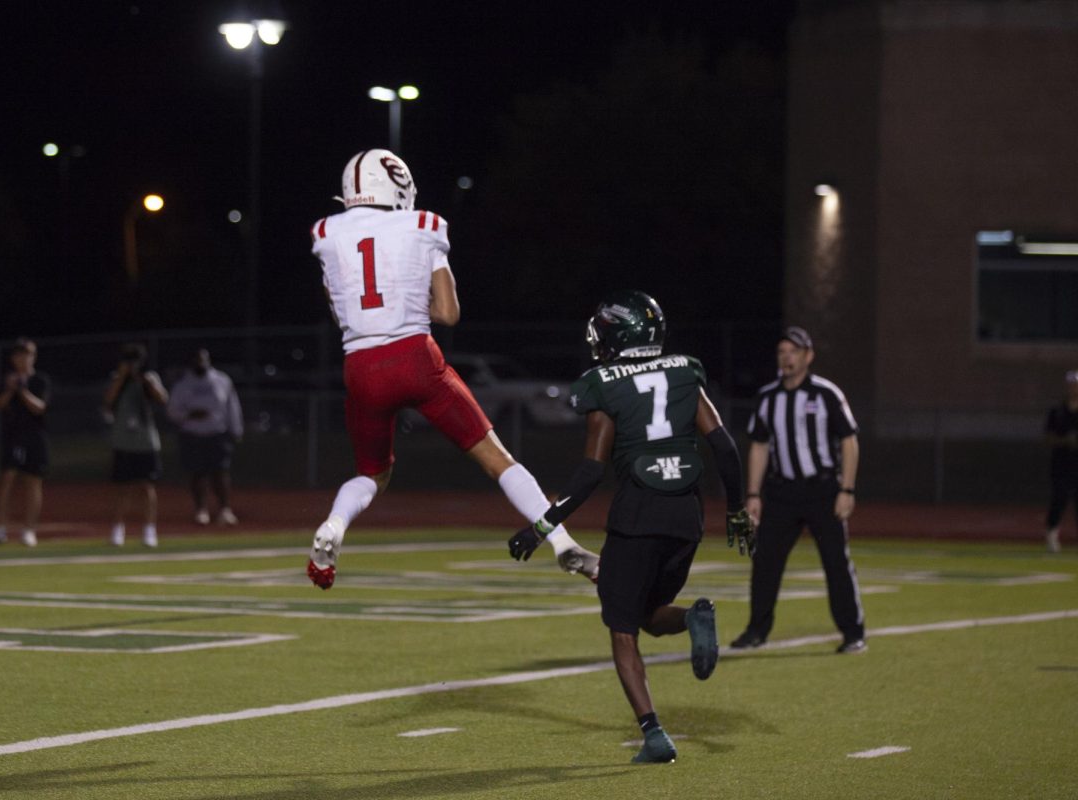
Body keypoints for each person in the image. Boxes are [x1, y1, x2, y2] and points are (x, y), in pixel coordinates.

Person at [307, 148, 599, 590]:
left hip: (360, 367)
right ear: (398, 185)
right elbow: (448, 312)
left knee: (372, 474)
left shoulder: (326, 232)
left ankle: (334, 524)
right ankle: (561, 541)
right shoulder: (423, 225)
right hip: (415, 358)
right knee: (497, 459)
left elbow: (339, 312)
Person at [506, 290, 755, 764]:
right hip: (688, 514)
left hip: (638, 513)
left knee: (622, 629)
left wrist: (541, 527)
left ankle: (654, 735)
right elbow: (724, 447)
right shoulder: (685, 370)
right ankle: (692, 617)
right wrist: (738, 510)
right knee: (648, 613)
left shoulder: (602, 382)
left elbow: (589, 473)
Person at [729, 326, 865, 654]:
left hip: (822, 490)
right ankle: (756, 631)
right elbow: (759, 446)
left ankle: (853, 633)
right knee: (765, 563)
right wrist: (753, 495)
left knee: (835, 562)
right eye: (782, 352)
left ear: (808, 356)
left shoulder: (826, 394)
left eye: (794, 351)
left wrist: (846, 488)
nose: (787, 357)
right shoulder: (767, 398)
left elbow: (849, 440)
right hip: (781, 493)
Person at [167, 348, 243, 526]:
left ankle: (224, 509)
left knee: (220, 472)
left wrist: (236, 429)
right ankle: (201, 509)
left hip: (217, 433)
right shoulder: (183, 384)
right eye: (197, 360)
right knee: (197, 473)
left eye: (203, 359)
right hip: (192, 434)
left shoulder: (221, 380)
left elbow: (232, 406)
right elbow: (172, 411)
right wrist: (190, 415)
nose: (200, 363)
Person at [105, 343, 169, 548]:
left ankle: (149, 530)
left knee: (147, 487)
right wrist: (122, 376)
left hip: (146, 441)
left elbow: (162, 399)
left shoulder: (148, 379)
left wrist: (148, 383)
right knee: (122, 488)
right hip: (123, 441)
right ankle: (117, 529)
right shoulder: (118, 379)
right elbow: (108, 401)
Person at [0, 338, 50, 547]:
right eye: (21, 355)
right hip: (12, 437)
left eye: (29, 354)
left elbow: (40, 407)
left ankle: (29, 530)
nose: (25, 359)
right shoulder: (6, 380)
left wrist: (23, 390)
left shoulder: (40, 381)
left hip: (35, 437)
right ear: (14, 358)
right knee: (7, 480)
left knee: (33, 482)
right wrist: (10, 389)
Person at [1044, 370, 1078, 553]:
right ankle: (1051, 534)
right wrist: (1066, 441)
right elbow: (1048, 437)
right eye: (1072, 384)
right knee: (1059, 499)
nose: (1074, 388)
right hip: (1062, 464)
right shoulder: (1058, 412)